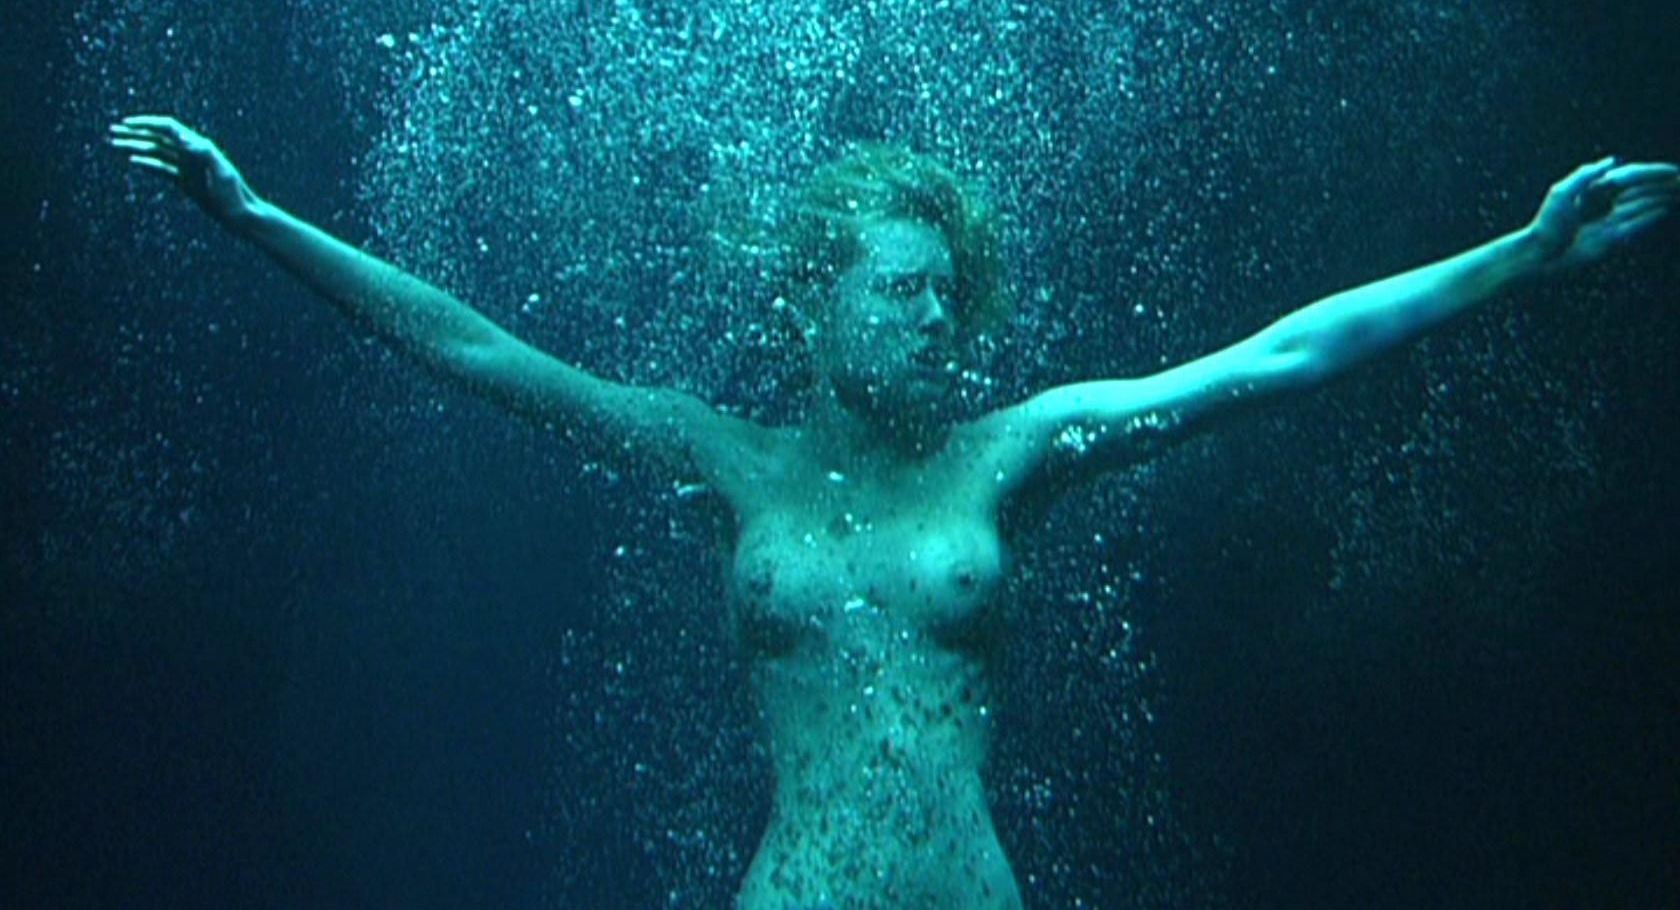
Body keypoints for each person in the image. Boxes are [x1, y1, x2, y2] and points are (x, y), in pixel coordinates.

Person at [108, 114, 1677, 908]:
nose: (940, 318)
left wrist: (1519, 255)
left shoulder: (1015, 451)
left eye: (948, 291)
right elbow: (481, 353)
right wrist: (256, 215)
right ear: (816, 302)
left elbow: (1272, 361)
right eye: (902, 289)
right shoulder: (726, 458)